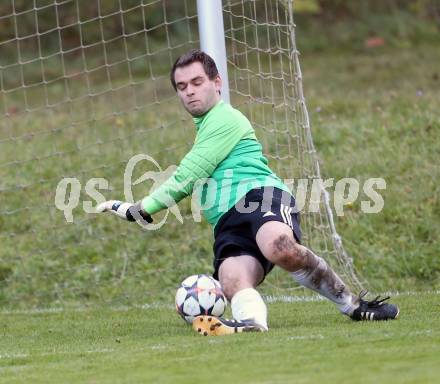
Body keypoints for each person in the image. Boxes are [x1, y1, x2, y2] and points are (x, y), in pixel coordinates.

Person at [96, 49, 399, 336]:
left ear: (217, 83)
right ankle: (251, 323)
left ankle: (353, 306)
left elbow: (188, 175)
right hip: (228, 221)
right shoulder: (205, 127)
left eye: (197, 82)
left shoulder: (226, 119)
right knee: (231, 280)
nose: (189, 91)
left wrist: (141, 208)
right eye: (182, 85)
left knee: (279, 246)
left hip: (260, 198)